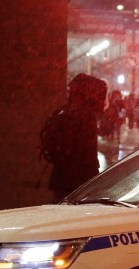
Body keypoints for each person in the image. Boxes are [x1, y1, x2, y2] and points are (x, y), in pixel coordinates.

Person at [48, 73, 108, 201]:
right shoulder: (86, 117)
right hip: (78, 182)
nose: (103, 101)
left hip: (62, 178)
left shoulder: (68, 112)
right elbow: (87, 155)